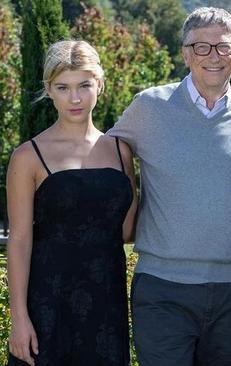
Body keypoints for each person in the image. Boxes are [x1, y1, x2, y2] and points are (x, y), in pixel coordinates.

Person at [106, 7, 231, 366]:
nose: (213, 56)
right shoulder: (149, 107)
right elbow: (101, 154)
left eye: (223, 47)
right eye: (201, 47)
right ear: (184, 53)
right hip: (162, 289)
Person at [7, 40, 138, 366]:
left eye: (84, 85)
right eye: (63, 87)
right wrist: (19, 318)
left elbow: (124, 231)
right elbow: (20, 241)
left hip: (107, 303)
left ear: (100, 85)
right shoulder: (27, 157)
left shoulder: (122, 153)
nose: (75, 98)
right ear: (49, 90)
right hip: (47, 305)